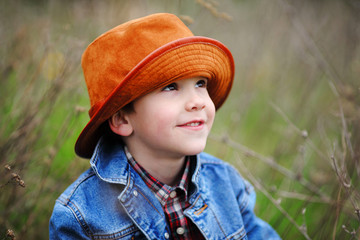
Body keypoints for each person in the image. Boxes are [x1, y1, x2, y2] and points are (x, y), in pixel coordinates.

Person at [49, 13, 280, 240]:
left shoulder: (226, 184)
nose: (198, 101)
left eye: (201, 83)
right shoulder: (81, 216)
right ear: (122, 119)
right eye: (171, 87)